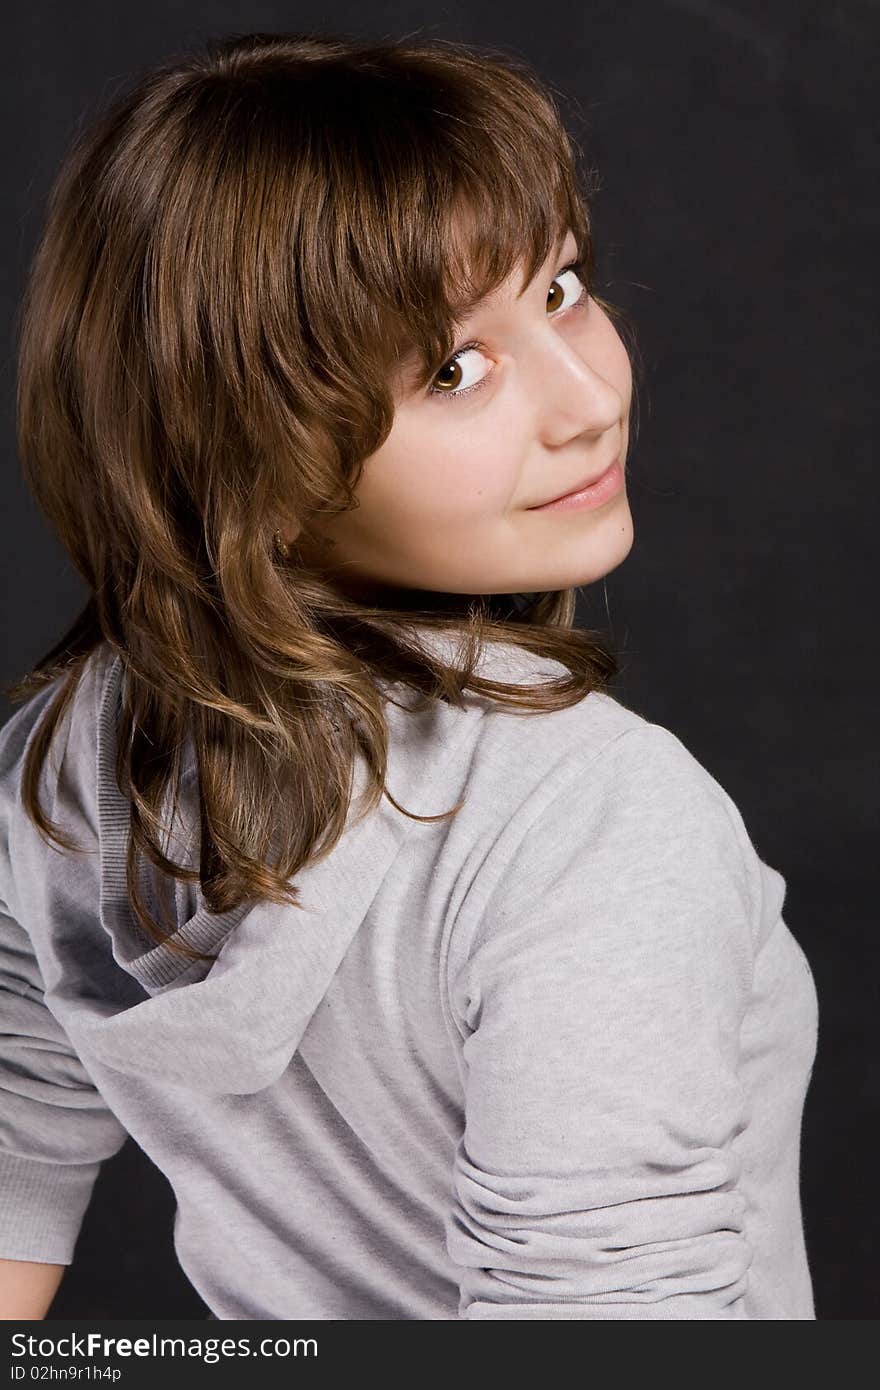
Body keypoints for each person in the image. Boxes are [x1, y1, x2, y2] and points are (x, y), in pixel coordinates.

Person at [0, 30, 818, 1320]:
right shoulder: (592, 817)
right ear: (246, 458)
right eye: (453, 371)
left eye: (560, 289)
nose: (587, 397)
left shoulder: (77, 750)